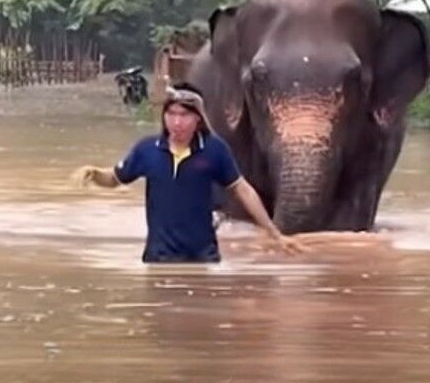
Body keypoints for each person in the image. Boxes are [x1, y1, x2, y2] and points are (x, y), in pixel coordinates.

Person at [74, 82, 304, 262]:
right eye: (171, 114)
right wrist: (94, 174)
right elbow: (115, 179)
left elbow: (242, 190)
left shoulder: (214, 150)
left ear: (198, 119)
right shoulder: (146, 149)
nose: (177, 122)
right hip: (158, 259)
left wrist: (275, 234)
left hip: (203, 259)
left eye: (184, 115)